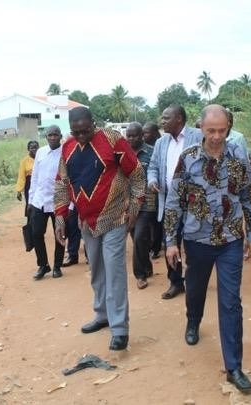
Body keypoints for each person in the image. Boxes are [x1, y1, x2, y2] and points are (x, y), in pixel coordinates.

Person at [164, 105, 251, 394]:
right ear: (201, 129)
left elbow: (249, 196)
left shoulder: (239, 157)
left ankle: (234, 367)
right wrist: (170, 241)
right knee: (195, 289)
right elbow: (174, 202)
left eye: (222, 130)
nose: (217, 136)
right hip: (197, 240)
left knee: (231, 302)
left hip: (230, 240)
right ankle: (193, 321)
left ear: (228, 128)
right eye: (211, 131)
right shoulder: (189, 158)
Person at [54, 106, 145, 351]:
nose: (81, 135)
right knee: (96, 269)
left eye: (85, 130)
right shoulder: (68, 147)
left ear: (93, 123)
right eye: (76, 132)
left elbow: (136, 172)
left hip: (115, 217)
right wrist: (60, 217)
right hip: (86, 221)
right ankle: (102, 314)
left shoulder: (112, 139)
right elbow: (62, 183)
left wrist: (135, 206)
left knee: (114, 270)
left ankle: (119, 329)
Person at [147, 104, 203, 299]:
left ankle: (195, 281)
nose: (162, 121)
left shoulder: (198, 136)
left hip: (194, 202)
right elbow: (153, 166)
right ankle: (175, 282)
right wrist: (153, 180)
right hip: (169, 202)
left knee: (194, 244)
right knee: (170, 242)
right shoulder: (162, 142)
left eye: (166, 118)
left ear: (179, 119)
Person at [28, 126, 65, 280]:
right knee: (36, 233)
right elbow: (35, 176)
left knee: (60, 234)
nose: (52, 138)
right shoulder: (41, 152)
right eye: (49, 135)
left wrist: (68, 204)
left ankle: (57, 266)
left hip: (59, 202)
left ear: (60, 136)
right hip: (40, 200)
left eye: (55, 135)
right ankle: (43, 265)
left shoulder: (66, 152)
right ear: (46, 137)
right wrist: (30, 200)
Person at [125, 122, 156, 289]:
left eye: (134, 135)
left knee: (139, 238)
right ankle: (147, 265)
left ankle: (140, 275)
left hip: (145, 203)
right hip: (128, 204)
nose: (131, 139)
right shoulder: (122, 154)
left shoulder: (151, 153)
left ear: (142, 136)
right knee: (136, 237)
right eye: (128, 136)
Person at [142, 122, 163, 258]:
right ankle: (151, 245)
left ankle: (156, 247)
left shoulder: (160, 148)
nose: (143, 136)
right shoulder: (145, 149)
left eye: (146, 133)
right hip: (149, 189)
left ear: (155, 133)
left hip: (160, 191)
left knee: (157, 221)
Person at [16, 140, 39, 223]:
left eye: (36, 147)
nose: (34, 149)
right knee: (30, 205)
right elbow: (21, 177)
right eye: (32, 148)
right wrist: (19, 191)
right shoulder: (24, 161)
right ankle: (30, 226)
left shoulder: (41, 158)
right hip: (29, 186)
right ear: (28, 149)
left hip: (40, 185)